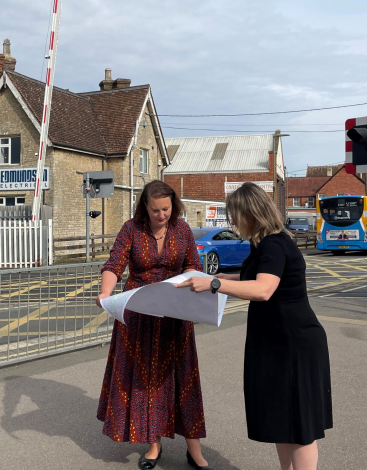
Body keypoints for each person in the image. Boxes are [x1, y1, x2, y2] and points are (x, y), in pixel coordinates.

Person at [177, 182, 332, 470]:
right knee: (282, 420)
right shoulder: (263, 243)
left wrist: (214, 282)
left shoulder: (274, 243)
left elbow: (264, 289)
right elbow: (256, 278)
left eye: (235, 215)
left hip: (291, 345)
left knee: (300, 426)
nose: (232, 222)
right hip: (276, 342)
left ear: (252, 213)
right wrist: (225, 277)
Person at [96, 180, 213, 470]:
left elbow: (192, 265)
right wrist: (105, 294)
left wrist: (185, 279)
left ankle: (194, 450)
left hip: (174, 312)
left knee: (184, 379)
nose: (162, 215)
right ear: (144, 208)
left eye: (166, 209)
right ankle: (154, 444)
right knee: (147, 381)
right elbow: (114, 265)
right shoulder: (130, 229)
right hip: (140, 315)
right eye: (156, 210)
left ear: (173, 206)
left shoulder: (182, 229)